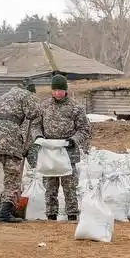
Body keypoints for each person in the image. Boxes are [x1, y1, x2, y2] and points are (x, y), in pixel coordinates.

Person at [0, 80, 38, 223]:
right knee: (12, 177)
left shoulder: (1, 98)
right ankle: (5, 213)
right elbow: (34, 113)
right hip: (9, 139)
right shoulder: (26, 95)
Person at [38, 74, 92, 222]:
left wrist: (73, 140)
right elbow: (36, 125)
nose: (57, 93)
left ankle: (72, 214)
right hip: (49, 152)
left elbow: (85, 129)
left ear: (65, 90)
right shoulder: (44, 106)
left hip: (68, 152)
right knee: (50, 186)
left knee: (69, 186)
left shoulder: (75, 108)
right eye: (55, 90)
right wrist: (38, 137)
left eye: (60, 90)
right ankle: (51, 215)